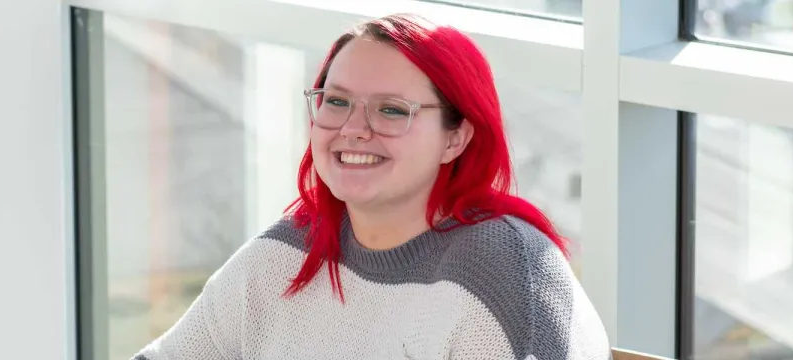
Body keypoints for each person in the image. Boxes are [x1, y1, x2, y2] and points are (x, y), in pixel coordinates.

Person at [135, 13, 610, 360]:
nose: (354, 129)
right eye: (337, 101)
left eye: (391, 110)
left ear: (456, 137)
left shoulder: (504, 273)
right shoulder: (289, 248)